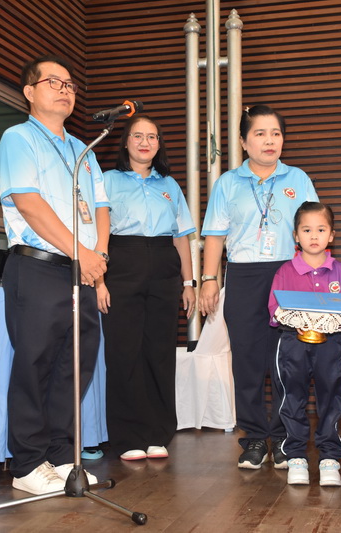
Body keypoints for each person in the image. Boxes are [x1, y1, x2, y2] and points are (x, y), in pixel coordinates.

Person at [0, 54, 110, 495]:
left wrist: (97, 257)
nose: (64, 89)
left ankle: (61, 456)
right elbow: (29, 203)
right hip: (39, 267)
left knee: (74, 366)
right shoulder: (18, 139)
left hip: (82, 270)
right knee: (35, 364)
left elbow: (101, 208)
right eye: (53, 82)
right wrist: (81, 253)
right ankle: (26, 464)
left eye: (69, 84)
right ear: (29, 92)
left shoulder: (83, 149)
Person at [199, 105, 319, 469]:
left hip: (289, 273)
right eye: (260, 134)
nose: (269, 141)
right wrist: (209, 280)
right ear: (243, 141)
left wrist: (314, 278)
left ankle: (283, 437)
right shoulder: (227, 183)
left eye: (276, 133)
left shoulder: (298, 178)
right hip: (244, 275)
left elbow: (314, 230)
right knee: (247, 361)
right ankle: (253, 438)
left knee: (288, 361)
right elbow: (214, 236)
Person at [99, 115, 196, 461]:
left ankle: (158, 433)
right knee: (124, 351)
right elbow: (97, 234)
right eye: (138, 136)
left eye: (152, 136)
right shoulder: (107, 180)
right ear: (125, 142)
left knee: (160, 350)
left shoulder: (169, 185)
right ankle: (128, 436)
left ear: (159, 144)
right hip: (121, 262)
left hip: (164, 266)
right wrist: (98, 280)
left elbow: (182, 237)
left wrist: (189, 283)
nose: (145, 142)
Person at [267, 201, 341, 486]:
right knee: (291, 397)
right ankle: (296, 455)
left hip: (331, 345)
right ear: (296, 235)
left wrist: (335, 318)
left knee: (332, 397)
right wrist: (295, 319)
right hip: (292, 343)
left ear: (331, 235)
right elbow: (274, 308)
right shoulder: (285, 271)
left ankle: (329, 457)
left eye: (321, 229)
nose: (314, 236)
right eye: (306, 230)